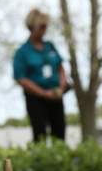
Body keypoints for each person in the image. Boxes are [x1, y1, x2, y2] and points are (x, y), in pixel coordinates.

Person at [13, 9, 68, 142]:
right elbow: (21, 78)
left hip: (55, 95)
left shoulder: (50, 46)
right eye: (42, 26)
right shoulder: (22, 52)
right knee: (40, 134)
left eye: (46, 26)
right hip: (36, 99)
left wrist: (61, 87)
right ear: (32, 27)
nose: (45, 30)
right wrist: (43, 93)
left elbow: (60, 68)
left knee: (59, 132)